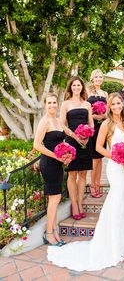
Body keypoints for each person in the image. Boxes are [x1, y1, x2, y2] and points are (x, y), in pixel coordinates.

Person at [47, 92, 124, 271]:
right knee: (115, 202)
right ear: (109, 107)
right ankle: (110, 244)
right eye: (114, 104)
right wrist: (116, 156)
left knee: (123, 203)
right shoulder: (107, 124)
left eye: (119, 104)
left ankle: (122, 242)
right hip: (115, 167)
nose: (117, 106)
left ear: (122, 105)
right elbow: (98, 147)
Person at [34, 93, 71, 246]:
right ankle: (49, 234)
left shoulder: (57, 120)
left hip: (57, 164)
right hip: (49, 163)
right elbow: (37, 145)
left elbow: (68, 135)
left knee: (55, 200)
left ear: (57, 103)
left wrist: (69, 152)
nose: (52, 105)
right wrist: (57, 157)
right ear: (45, 105)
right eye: (49, 103)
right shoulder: (44, 121)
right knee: (54, 199)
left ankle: (54, 230)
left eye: (54, 102)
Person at [60, 76, 94, 220]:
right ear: (70, 87)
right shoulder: (65, 104)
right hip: (72, 142)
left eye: (78, 85)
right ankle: (74, 204)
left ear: (82, 87)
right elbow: (62, 124)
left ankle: (80, 203)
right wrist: (75, 136)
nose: (76, 88)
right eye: (74, 85)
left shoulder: (87, 104)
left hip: (86, 142)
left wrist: (87, 136)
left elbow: (91, 124)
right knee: (72, 174)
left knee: (83, 174)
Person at [87, 69, 108, 198]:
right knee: (94, 158)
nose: (98, 79)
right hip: (93, 126)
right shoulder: (88, 92)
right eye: (96, 77)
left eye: (100, 77)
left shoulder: (105, 93)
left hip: (103, 127)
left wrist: (103, 115)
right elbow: (85, 108)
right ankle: (92, 184)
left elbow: (109, 111)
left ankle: (98, 183)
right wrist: (94, 117)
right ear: (92, 79)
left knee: (100, 158)